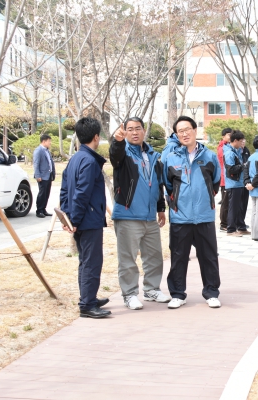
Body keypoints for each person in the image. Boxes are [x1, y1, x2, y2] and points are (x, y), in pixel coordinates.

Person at [110, 117, 171, 311]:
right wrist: (117, 141)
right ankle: (129, 294)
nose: (134, 132)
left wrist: (161, 208)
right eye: (130, 129)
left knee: (154, 256)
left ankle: (152, 289)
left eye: (138, 129)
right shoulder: (123, 152)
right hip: (128, 214)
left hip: (150, 216)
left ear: (144, 130)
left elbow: (158, 183)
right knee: (128, 259)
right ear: (125, 132)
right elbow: (115, 156)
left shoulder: (153, 155)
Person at [162, 116, 222, 309]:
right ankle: (178, 294)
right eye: (180, 131)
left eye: (188, 129)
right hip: (180, 216)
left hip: (204, 215)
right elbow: (168, 185)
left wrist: (204, 201)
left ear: (196, 130)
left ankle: (211, 292)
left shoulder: (210, 156)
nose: (185, 134)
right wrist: (177, 202)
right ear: (176, 135)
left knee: (209, 257)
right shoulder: (171, 158)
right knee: (178, 257)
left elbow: (215, 183)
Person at [60, 117, 110, 319]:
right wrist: (75, 220)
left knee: (85, 261)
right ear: (96, 137)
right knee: (91, 262)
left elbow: (65, 190)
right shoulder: (89, 161)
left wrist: (68, 217)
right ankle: (87, 304)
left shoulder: (75, 158)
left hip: (80, 219)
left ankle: (88, 297)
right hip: (87, 220)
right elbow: (82, 193)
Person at [224, 130, 250, 237]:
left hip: (239, 183)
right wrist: (243, 166)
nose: (242, 143)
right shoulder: (229, 153)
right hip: (233, 184)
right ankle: (231, 229)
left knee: (240, 207)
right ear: (235, 141)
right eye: (240, 141)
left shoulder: (236, 151)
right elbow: (231, 169)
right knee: (233, 207)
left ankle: (241, 226)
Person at [33, 134, 55, 218]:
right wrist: (38, 175)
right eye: (49, 141)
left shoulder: (47, 150)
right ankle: (39, 210)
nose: (50, 143)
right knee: (42, 193)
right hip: (42, 176)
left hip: (48, 175)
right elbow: (36, 164)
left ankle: (43, 209)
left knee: (47, 193)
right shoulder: (38, 150)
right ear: (44, 141)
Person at [218, 128, 232, 231]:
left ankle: (229, 222)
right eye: (228, 135)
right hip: (224, 179)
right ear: (223, 136)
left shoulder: (228, 146)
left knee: (229, 202)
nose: (230, 136)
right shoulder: (222, 147)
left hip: (229, 179)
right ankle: (223, 224)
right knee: (225, 202)